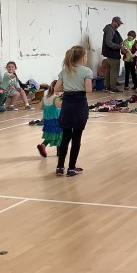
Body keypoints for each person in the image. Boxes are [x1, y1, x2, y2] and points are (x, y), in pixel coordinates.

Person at [54, 45, 93, 177]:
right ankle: (71, 168)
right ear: (83, 57)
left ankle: (60, 167)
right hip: (79, 104)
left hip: (67, 104)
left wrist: (69, 88)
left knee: (65, 137)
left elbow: (57, 89)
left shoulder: (65, 71)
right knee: (76, 138)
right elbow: (88, 90)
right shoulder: (87, 71)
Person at [36, 80, 62, 158]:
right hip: (56, 119)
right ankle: (59, 151)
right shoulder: (56, 98)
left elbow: (40, 107)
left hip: (47, 120)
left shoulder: (44, 98)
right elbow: (59, 106)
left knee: (51, 134)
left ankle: (44, 145)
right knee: (60, 134)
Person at [101, 16, 125, 93]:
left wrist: (121, 43)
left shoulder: (112, 29)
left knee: (110, 71)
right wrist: (119, 47)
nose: (119, 25)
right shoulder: (110, 30)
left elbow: (118, 39)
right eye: (118, 24)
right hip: (112, 54)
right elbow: (109, 43)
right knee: (114, 71)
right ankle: (113, 88)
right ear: (114, 22)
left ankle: (108, 87)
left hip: (110, 54)